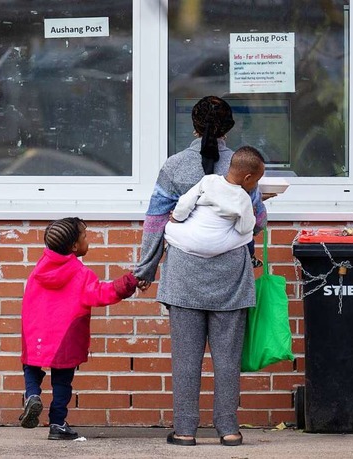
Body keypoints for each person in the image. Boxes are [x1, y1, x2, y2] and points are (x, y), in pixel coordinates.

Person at [134, 96, 267, 447]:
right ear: (229, 128)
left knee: (186, 358)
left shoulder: (174, 166)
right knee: (227, 358)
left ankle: (185, 431)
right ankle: (229, 429)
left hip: (183, 275)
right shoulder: (243, 165)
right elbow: (256, 225)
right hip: (231, 276)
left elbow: (155, 222)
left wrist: (145, 269)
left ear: (192, 125)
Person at [19, 217, 140, 440]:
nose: (88, 240)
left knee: (31, 366)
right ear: (74, 246)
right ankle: (57, 424)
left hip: (35, 329)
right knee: (62, 380)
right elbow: (102, 294)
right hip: (65, 335)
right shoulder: (81, 275)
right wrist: (129, 282)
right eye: (85, 236)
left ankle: (32, 395)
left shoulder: (39, 269)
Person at [164, 145, 265, 266]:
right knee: (246, 235)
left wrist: (176, 217)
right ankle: (251, 257)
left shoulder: (208, 180)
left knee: (169, 227)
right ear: (247, 178)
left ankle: (172, 244)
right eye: (256, 180)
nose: (256, 185)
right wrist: (251, 217)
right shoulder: (243, 198)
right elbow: (243, 229)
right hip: (216, 246)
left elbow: (186, 201)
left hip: (190, 239)